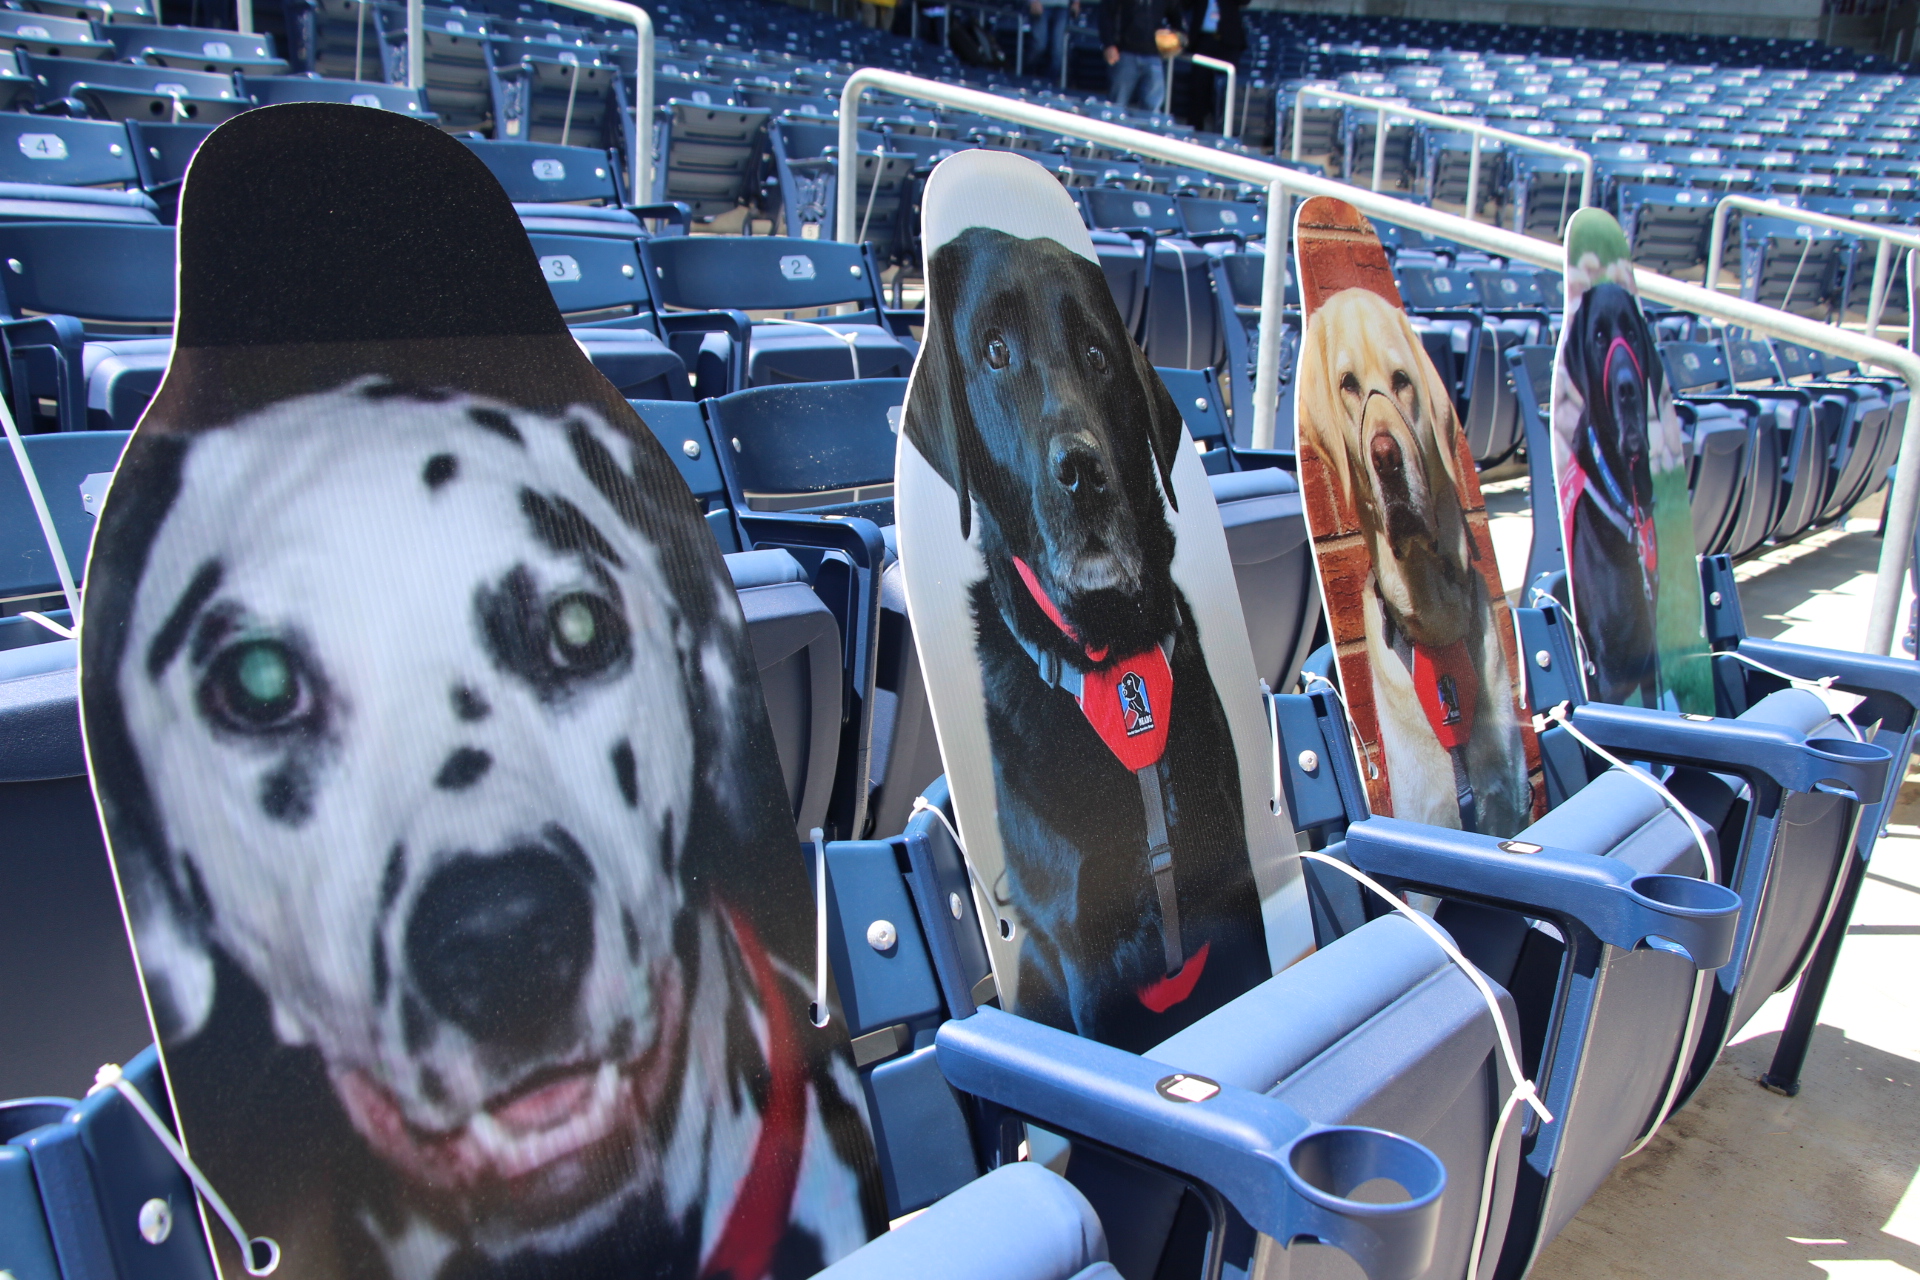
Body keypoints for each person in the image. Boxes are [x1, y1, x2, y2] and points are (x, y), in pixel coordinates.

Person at [1099, 0, 1181, 113]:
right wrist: (1109, 44)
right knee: (1116, 106)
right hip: (1124, 53)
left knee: (1152, 111)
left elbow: (1176, 17)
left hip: (1153, 56)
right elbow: (1105, 13)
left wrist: (1178, 38)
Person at [1183, 0, 1244, 132]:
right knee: (1198, 87)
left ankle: (1224, 131)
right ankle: (1195, 130)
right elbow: (1184, 4)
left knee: (1227, 90)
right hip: (1203, 39)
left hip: (1228, 41)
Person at [1027, 0, 1077, 84]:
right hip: (1041, 4)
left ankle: (1049, 84)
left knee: (1058, 51)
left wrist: (1076, 2)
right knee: (1039, 46)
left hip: (1063, 7)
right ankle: (1026, 77)